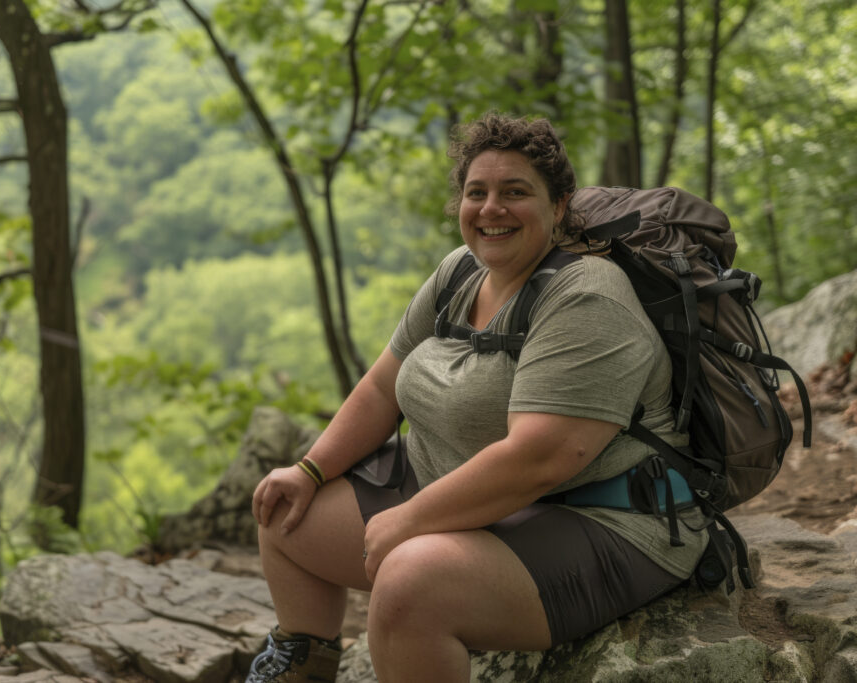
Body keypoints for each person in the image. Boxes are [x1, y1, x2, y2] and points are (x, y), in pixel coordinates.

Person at [246, 112, 708, 683]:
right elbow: (380, 386)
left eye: (516, 192)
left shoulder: (587, 298)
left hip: (603, 517)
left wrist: (409, 521)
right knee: (283, 510)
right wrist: (310, 470)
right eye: (477, 192)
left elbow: (541, 457)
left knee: (409, 584)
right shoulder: (458, 273)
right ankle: (301, 665)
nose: (492, 209)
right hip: (469, 497)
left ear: (559, 206)